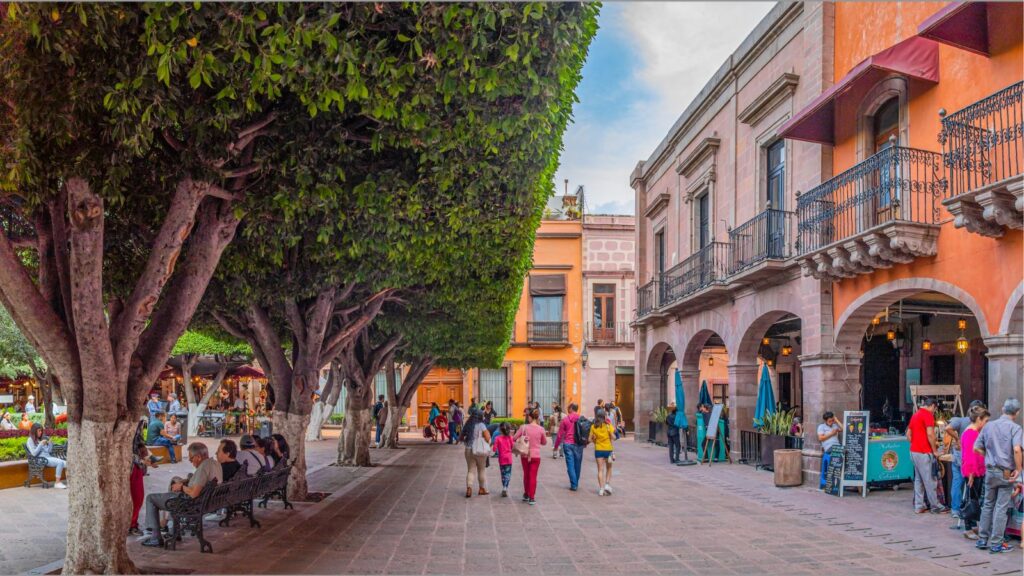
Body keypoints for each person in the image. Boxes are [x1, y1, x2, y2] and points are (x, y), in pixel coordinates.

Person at [141, 442, 223, 547]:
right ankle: (171, 528)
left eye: (191, 459)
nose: (191, 462)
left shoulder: (203, 467)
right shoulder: (215, 463)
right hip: (207, 501)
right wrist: (186, 481)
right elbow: (200, 483)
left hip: (189, 503)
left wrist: (181, 487)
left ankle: (155, 537)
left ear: (198, 457)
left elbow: (194, 493)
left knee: (151, 498)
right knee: (175, 480)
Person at [973, 398, 1023, 554]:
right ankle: (996, 543)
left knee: (988, 504)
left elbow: (976, 448)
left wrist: (989, 456)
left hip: (990, 470)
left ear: (1002, 409)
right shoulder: (1015, 428)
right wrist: (1019, 469)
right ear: (1017, 412)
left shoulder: (989, 426)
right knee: (1001, 508)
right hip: (1005, 471)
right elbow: (1016, 449)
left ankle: (982, 539)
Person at [945, 400, 986, 519]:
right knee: (970, 486)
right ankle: (970, 513)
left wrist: (957, 439)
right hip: (969, 458)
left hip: (960, 456)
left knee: (958, 482)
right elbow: (948, 427)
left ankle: (956, 509)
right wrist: (957, 439)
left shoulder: (961, 421)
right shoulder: (974, 425)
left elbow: (948, 427)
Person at [907, 397, 949, 514]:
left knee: (919, 480)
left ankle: (919, 505)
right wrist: (934, 450)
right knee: (930, 480)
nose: (934, 412)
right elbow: (931, 434)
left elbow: (908, 434)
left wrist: (916, 442)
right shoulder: (927, 415)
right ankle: (936, 506)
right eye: (935, 409)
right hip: (923, 452)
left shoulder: (916, 415)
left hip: (914, 451)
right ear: (933, 406)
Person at [960, 406, 990, 540]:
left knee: (974, 499)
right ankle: (967, 528)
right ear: (979, 419)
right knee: (971, 499)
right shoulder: (971, 433)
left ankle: (971, 525)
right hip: (973, 471)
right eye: (985, 421)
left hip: (976, 470)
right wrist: (971, 473)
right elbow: (969, 455)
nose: (986, 424)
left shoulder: (973, 431)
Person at [513, 410, 547, 504]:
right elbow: (544, 442)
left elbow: (514, 438)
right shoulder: (541, 429)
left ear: (530, 417)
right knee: (533, 476)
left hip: (525, 454)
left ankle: (526, 494)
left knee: (526, 475)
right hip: (536, 456)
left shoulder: (523, 427)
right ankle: (532, 497)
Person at [129, 420, 156, 536]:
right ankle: (129, 525)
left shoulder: (139, 421)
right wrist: (141, 460)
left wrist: (150, 457)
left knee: (138, 497)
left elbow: (139, 443)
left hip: (137, 466)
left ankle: (132, 524)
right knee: (130, 498)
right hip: (127, 466)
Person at [460, 407, 492, 498]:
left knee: (470, 470)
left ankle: (469, 488)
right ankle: (481, 489)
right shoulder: (482, 425)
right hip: (479, 450)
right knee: (481, 469)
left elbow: (462, 437)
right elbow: (487, 437)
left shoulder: (468, 424)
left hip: (469, 449)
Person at [27, 423, 67, 489]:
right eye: (39, 431)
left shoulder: (40, 439)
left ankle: (71, 480)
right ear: (34, 431)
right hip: (41, 459)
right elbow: (34, 453)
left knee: (68, 463)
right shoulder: (30, 440)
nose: (41, 432)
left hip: (48, 458)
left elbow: (48, 451)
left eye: (41, 431)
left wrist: (50, 443)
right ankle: (57, 483)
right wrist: (41, 444)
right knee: (60, 463)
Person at [555, 403, 583, 491]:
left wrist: (556, 446)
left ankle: (574, 484)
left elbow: (560, 435)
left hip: (568, 444)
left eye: (568, 408)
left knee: (570, 465)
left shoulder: (565, 420)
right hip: (578, 444)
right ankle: (576, 482)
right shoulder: (581, 419)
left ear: (571, 408)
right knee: (577, 464)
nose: (567, 409)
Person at [589, 407, 615, 496]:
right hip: (608, 450)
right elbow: (614, 438)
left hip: (598, 450)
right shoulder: (608, 425)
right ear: (604, 416)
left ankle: (601, 489)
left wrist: (594, 440)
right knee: (609, 468)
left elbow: (589, 439)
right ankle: (607, 484)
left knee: (600, 470)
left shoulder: (593, 427)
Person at [817, 411, 841, 490]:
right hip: (829, 448)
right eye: (829, 421)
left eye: (832, 420)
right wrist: (831, 433)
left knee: (845, 452)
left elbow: (845, 429)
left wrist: (836, 420)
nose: (831, 422)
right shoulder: (821, 427)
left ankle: (839, 480)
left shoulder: (834, 425)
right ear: (825, 421)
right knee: (840, 453)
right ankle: (832, 482)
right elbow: (820, 438)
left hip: (838, 447)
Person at [492, 421, 515, 497]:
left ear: (500, 430)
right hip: (509, 458)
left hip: (501, 459)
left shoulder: (497, 438)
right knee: (508, 474)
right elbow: (513, 447)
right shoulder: (510, 438)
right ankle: (505, 487)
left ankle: (504, 486)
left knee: (503, 474)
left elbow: (494, 449)